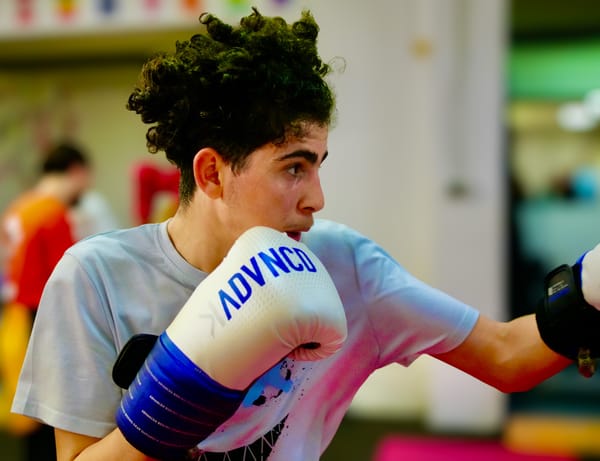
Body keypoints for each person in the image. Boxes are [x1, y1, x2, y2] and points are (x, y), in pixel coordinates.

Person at [9, 8, 600, 461]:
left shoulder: (344, 265)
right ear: (212, 172)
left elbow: (505, 355)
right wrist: (180, 388)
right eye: (294, 167)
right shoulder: (95, 276)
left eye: (319, 164)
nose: (317, 196)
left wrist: (593, 286)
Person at [0, 141, 92, 461]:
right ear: (77, 172)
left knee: (27, 419)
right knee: (48, 420)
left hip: (14, 320)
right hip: (41, 322)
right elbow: (69, 282)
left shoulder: (19, 206)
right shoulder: (53, 214)